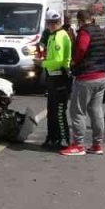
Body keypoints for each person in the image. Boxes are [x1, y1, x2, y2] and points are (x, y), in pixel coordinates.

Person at [61, 10, 105, 156]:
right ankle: (97, 145)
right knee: (96, 111)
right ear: (92, 19)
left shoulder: (84, 32)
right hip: (102, 76)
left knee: (78, 112)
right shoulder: (102, 32)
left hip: (86, 77)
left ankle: (78, 145)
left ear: (80, 20)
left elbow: (82, 47)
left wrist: (75, 60)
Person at [40, 9, 72, 150]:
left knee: (59, 111)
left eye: (56, 22)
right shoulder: (52, 35)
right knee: (51, 111)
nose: (53, 25)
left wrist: (42, 63)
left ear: (60, 22)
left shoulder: (60, 36)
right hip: (52, 77)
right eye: (50, 22)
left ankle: (64, 140)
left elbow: (59, 60)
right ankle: (52, 138)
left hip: (60, 77)